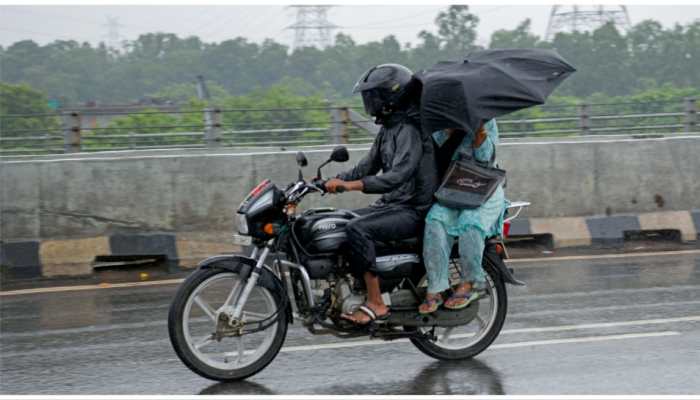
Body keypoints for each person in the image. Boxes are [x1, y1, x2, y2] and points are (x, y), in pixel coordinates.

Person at [324, 63, 438, 325]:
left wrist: (352, 186)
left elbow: (397, 176)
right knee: (340, 221)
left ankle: (376, 302)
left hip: (412, 209)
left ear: (391, 97)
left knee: (357, 229)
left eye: (373, 96)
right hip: (394, 204)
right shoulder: (388, 128)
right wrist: (330, 180)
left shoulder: (409, 130)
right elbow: (367, 166)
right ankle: (351, 290)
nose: (369, 103)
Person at [418, 119, 508, 314]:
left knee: (470, 222)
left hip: (484, 187)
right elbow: (436, 155)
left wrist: (479, 133)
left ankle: (472, 282)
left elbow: (486, 159)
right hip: (455, 186)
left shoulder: (486, 118)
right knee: (435, 220)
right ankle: (437, 286)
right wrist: (450, 130)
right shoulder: (441, 120)